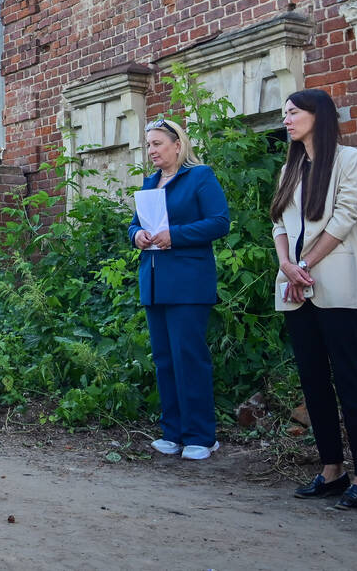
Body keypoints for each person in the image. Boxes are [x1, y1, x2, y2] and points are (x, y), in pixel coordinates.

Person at [271, 88, 357, 510]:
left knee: (349, 380)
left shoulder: (351, 160)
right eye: (285, 113)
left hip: (335, 285)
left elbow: (345, 216)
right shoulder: (291, 168)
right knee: (313, 382)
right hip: (295, 287)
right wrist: (286, 266)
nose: (287, 119)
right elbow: (278, 222)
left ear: (319, 115)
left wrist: (306, 264)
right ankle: (332, 469)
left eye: (293, 112)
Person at [129, 117, 229, 461]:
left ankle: (201, 436)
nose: (152, 151)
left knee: (189, 357)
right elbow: (134, 224)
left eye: (157, 144)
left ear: (177, 145)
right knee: (164, 359)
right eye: (149, 145)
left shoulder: (200, 177)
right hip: (154, 282)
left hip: (188, 282)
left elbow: (220, 222)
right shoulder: (150, 182)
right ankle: (172, 433)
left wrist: (177, 235)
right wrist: (136, 236)